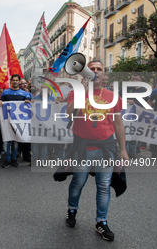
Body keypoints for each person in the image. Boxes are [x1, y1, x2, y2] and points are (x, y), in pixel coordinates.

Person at [60, 59, 128, 242]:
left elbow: (118, 124)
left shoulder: (113, 97)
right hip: (83, 149)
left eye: (99, 69)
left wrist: (123, 149)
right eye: (92, 69)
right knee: (78, 183)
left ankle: (101, 222)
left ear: (104, 75)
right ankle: (72, 210)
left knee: (103, 186)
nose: (95, 71)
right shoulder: (76, 93)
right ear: (84, 73)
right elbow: (68, 114)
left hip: (105, 149)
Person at [0, 74, 31, 168]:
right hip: (7, 121)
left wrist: (28, 103)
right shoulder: (5, 92)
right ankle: (7, 159)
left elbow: (28, 106)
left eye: (17, 80)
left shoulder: (24, 93)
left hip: (18, 122)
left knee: (16, 140)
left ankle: (14, 159)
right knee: (7, 140)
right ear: (11, 81)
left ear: (19, 81)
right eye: (14, 80)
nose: (15, 82)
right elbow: (1, 104)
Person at [119, 73, 149, 158]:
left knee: (134, 132)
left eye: (136, 79)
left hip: (138, 115)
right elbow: (117, 98)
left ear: (140, 81)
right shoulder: (125, 88)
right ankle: (126, 151)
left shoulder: (144, 90)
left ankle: (132, 152)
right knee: (127, 132)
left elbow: (147, 102)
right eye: (133, 79)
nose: (134, 81)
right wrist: (127, 100)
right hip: (126, 115)